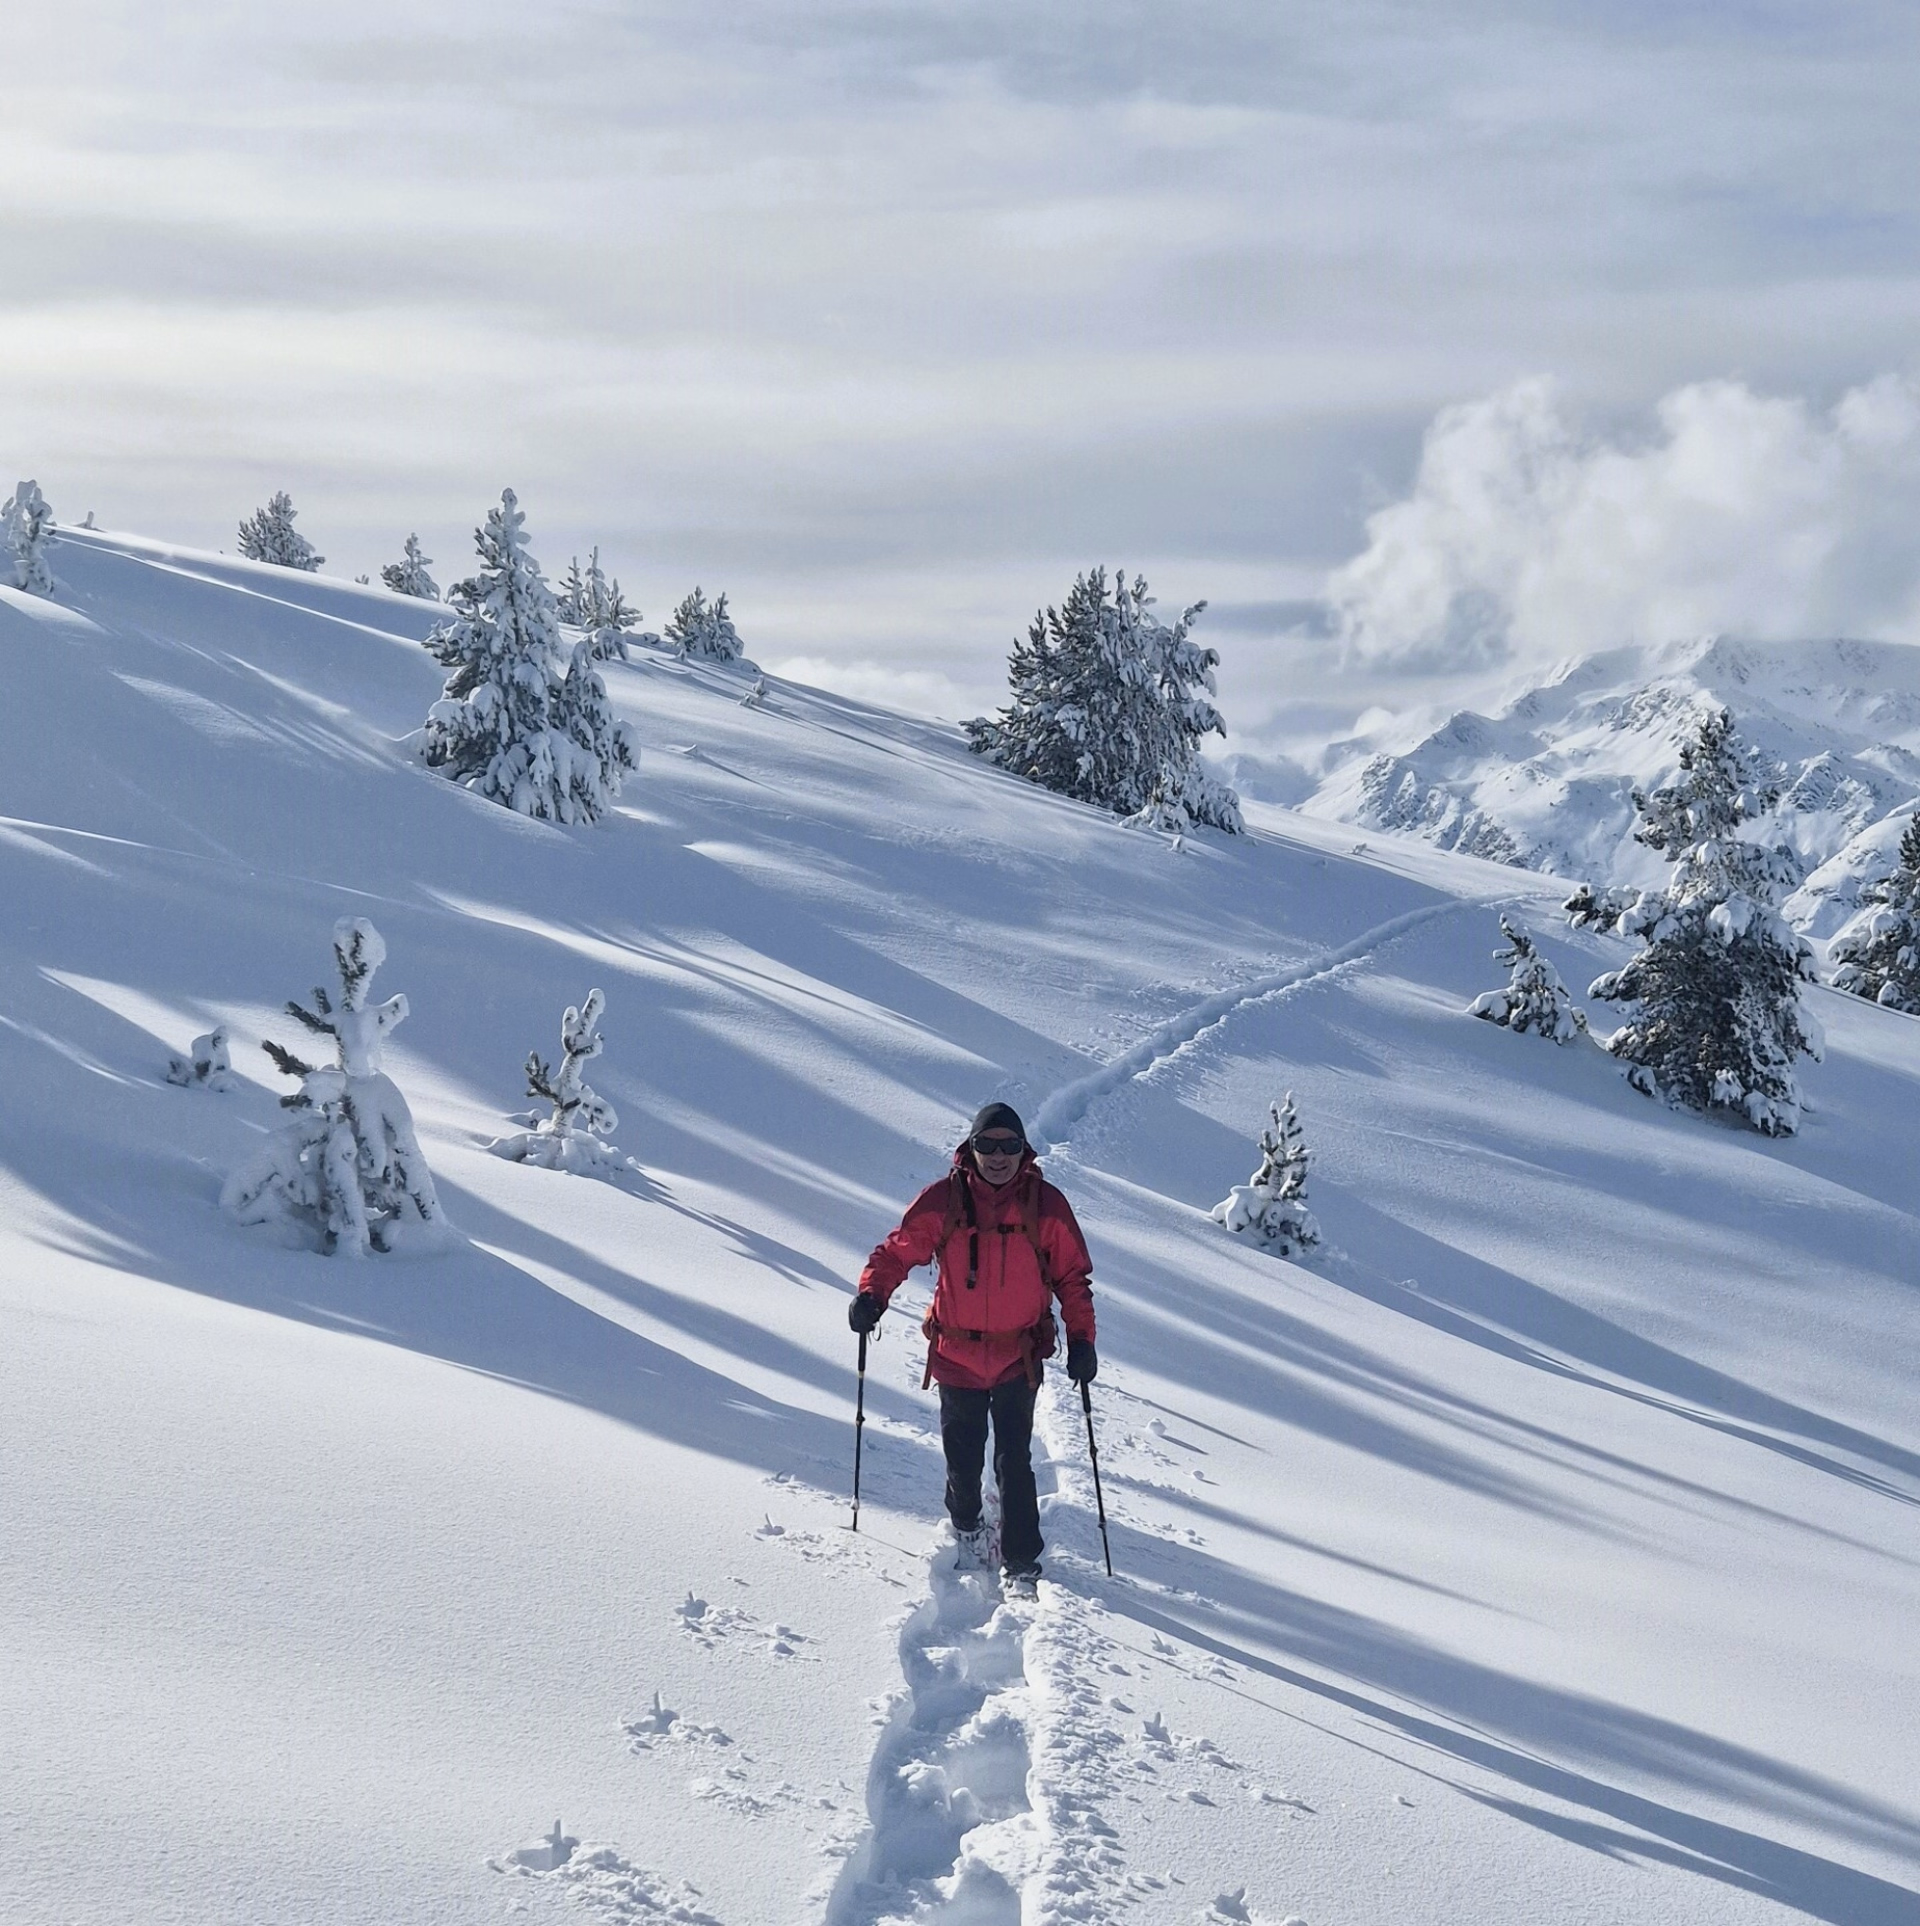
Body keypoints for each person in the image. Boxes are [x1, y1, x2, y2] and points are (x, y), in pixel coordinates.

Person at [849, 1102, 1097, 1590]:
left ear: (1023, 1150)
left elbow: (1072, 1278)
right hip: (956, 1355)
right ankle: (968, 1529)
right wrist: (872, 1294)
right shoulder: (944, 1200)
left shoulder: (1046, 1206)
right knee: (962, 1460)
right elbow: (898, 1251)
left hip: (1017, 1357)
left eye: (1009, 1145)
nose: (998, 1156)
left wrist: (1082, 1338)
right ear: (971, 1147)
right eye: (987, 1144)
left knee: (1013, 1459)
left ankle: (1022, 1559)